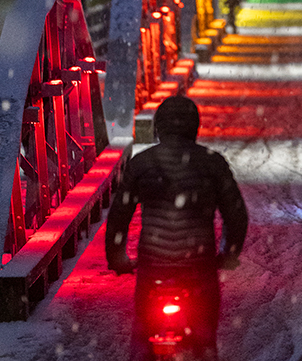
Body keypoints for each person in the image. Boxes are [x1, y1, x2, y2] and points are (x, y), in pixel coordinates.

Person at [106, 95, 248, 361]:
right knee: (203, 337)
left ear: (158, 127)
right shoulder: (212, 162)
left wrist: (117, 257)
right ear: (195, 127)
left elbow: (119, 215)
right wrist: (228, 254)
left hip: (153, 265)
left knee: (142, 336)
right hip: (198, 265)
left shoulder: (141, 163)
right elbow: (236, 215)